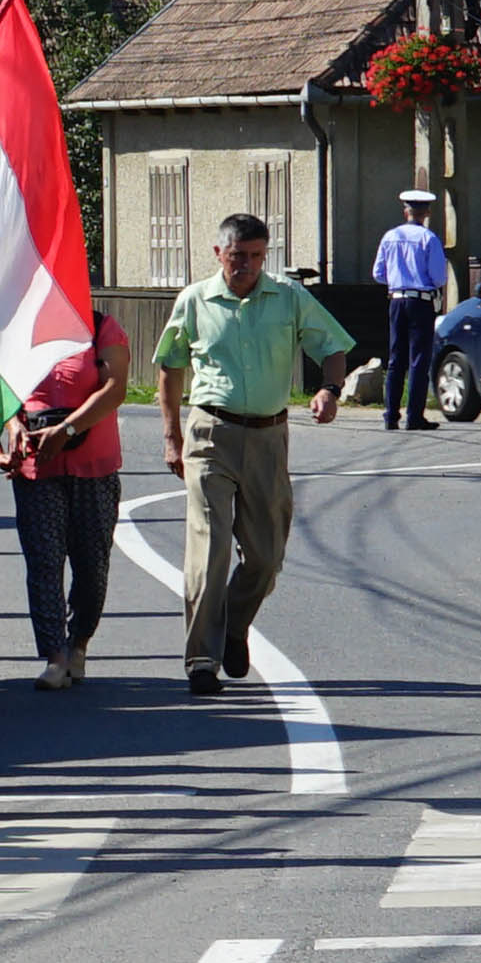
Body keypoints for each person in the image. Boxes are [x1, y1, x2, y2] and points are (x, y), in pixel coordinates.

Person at [153, 214, 355, 695]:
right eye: (238, 255)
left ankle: (234, 626)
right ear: (218, 253)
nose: (247, 265)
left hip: (267, 437)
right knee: (210, 548)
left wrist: (329, 388)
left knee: (265, 556)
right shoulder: (195, 301)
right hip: (210, 434)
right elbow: (169, 368)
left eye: (257, 255)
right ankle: (201, 660)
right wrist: (171, 437)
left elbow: (333, 347)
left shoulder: (287, 298)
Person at [0, 305, 129, 691]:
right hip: (36, 466)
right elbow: (2, 387)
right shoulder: (18, 328)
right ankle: (54, 656)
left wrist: (67, 430)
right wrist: (14, 424)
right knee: (44, 561)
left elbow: (115, 387)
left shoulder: (102, 327)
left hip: (93, 464)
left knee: (91, 564)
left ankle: (79, 642)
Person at [368, 195, 455, 433]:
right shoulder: (429, 239)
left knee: (396, 358)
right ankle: (414, 415)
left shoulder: (390, 236)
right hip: (421, 301)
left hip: (396, 300)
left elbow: (378, 273)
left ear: (405, 211)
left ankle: (390, 415)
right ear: (426, 212)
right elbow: (438, 277)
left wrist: (397, 280)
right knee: (418, 359)